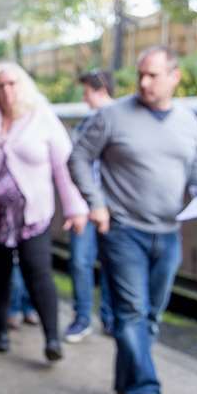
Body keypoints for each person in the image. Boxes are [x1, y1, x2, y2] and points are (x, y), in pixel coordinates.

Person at [69, 46, 197, 394]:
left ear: (174, 77)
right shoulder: (112, 116)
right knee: (131, 312)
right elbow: (77, 156)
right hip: (124, 229)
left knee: (151, 316)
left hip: (169, 233)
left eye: (153, 75)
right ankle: (146, 391)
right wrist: (95, 202)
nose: (143, 82)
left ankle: (126, 382)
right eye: (140, 74)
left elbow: (196, 171)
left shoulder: (188, 122)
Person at [0, 62, 88, 362]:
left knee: (37, 271)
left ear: (23, 86)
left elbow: (63, 167)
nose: (7, 91)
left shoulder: (41, 118)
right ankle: (0, 332)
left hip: (33, 215)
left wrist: (75, 208)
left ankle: (52, 339)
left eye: (12, 84)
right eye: (0, 86)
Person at [65, 69, 115, 343]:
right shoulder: (85, 125)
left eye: (86, 92)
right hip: (85, 206)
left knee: (111, 264)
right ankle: (83, 317)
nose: (84, 98)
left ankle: (109, 318)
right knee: (81, 263)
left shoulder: (120, 120)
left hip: (113, 207)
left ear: (101, 89)